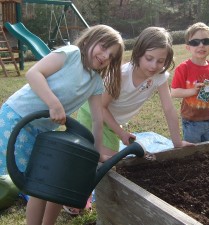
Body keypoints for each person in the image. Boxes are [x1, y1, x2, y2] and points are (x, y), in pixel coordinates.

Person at [0, 24, 124, 225]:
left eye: (111, 56)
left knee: (44, 182)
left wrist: (97, 150)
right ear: (89, 40)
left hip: (40, 130)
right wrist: (53, 103)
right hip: (16, 117)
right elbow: (34, 74)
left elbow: (97, 119)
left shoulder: (95, 82)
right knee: (25, 178)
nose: (104, 56)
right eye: (103, 47)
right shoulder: (71, 54)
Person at [77, 26, 194, 160]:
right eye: (149, 58)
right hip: (92, 116)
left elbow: (168, 109)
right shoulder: (121, 75)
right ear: (138, 53)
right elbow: (101, 107)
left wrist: (177, 142)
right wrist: (121, 133)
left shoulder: (159, 76)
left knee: (112, 163)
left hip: (112, 124)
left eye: (160, 61)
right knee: (99, 159)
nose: (154, 66)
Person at [170, 22, 209, 143]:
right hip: (191, 121)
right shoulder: (183, 68)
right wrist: (193, 91)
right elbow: (174, 92)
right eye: (195, 42)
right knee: (193, 152)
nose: (201, 45)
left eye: (206, 41)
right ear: (188, 47)